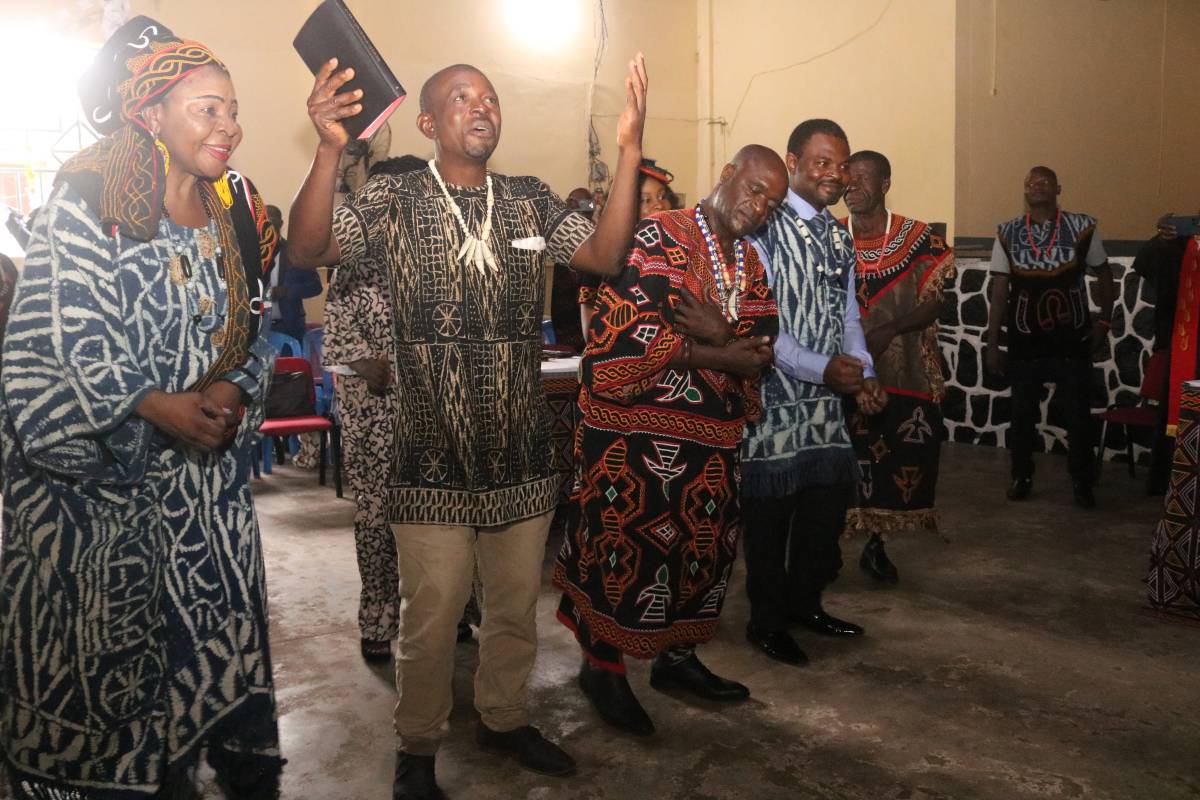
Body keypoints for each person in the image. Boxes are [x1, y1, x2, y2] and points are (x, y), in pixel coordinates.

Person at [287, 55, 650, 798]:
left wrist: (630, 152)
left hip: (518, 454)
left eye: (489, 96)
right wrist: (328, 149)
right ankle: (417, 749)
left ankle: (504, 717)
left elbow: (606, 257)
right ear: (428, 123)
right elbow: (308, 248)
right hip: (429, 457)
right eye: (460, 97)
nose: (480, 106)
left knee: (514, 609)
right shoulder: (396, 199)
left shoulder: (529, 200)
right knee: (432, 618)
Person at [0, 17, 282, 799]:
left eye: (231, 108)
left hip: (204, 501)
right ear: (149, 115)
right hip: (102, 502)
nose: (229, 125)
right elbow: (63, 335)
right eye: (207, 109)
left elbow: (256, 326)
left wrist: (227, 390)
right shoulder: (87, 202)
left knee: (201, 660)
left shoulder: (234, 215)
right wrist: (155, 405)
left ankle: (187, 755)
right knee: (109, 671)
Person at [554, 145, 788, 736]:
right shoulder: (658, 235)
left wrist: (722, 330)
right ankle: (601, 668)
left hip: (711, 445)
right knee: (624, 552)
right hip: (631, 440)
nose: (760, 207)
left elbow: (762, 349)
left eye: (773, 203)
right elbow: (625, 341)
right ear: (728, 173)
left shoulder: (750, 265)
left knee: (700, 555)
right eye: (755, 189)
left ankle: (675, 661)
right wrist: (722, 352)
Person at [740, 119, 884, 668]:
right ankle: (767, 622)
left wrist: (862, 368)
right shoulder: (763, 228)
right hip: (773, 399)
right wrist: (826, 369)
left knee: (822, 518)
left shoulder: (838, 232)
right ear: (793, 162)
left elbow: (847, 312)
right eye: (821, 162)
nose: (834, 174)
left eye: (841, 164)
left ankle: (806, 606)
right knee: (770, 523)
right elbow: (764, 330)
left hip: (826, 405)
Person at [323, 154, 424, 664]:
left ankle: (455, 612)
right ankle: (379, 619)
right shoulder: (353, 258)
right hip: (377, 416)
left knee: (441, 519)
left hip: (433, 414)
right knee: (379, 518)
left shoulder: (435, 255)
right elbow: (337, 330)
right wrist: (365, 363)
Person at [840, 150, 957, 583]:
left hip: (904, 372)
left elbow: (934, 303)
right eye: (846, 179)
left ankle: (876, 544)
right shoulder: (831, 238)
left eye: (863, 178)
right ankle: (832, 542)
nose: (852, 187)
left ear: (885, 183)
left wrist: (891, 328)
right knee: (844, 460)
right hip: (844, 375)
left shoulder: (920, 238)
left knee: (894, 462)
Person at [984, 166, 1115, 508]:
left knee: (1078, 415)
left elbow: (1104, 274)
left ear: (1059, 188)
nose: (1036, 187)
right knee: (1022, 414)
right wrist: (993, 343)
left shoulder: (1083, 228)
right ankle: (1021, 476)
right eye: (1030, 183)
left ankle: (1082, 482)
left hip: (1072, 339)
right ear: (1024, 191)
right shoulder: (1007, 232)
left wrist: (1104, 321)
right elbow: (999, 291)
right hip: (1025, 340)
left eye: (1044, 182)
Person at [578, 157, 680, 337]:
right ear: (626, 208)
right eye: (646, 200)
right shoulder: (604, 258)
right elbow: (590, 334)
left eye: (662, 196)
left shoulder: (681, 252)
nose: (659, 204)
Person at [1132, 211, 1197, 494]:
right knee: (1176, 416)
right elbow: (1145, 263)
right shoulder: (1181, 242)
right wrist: (1162, 241)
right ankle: (1171, 486)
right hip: (1183, 343)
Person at [265, 204, 324, 341]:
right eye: (264, 223)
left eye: (273, 222)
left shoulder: (295, 252)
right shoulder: (251, 255)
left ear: (281, 224)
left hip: (290, 327)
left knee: (291, 363)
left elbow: (316, 286)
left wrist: (288, 291)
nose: (269, 227)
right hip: (260, 329)